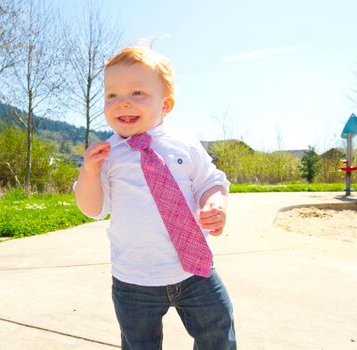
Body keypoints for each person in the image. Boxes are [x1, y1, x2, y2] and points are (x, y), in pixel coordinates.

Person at [74, 46, 236, 350]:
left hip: (193, 270)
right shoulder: (107, 156)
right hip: (133, 278)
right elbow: (93, 209)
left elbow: (210, 180)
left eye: (137, 93)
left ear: (167, 104)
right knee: (139, 344)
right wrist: (89, 175)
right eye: (112, 95)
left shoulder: (184, 145)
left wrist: (214, 202)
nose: (122, 102)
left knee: (218, 330)